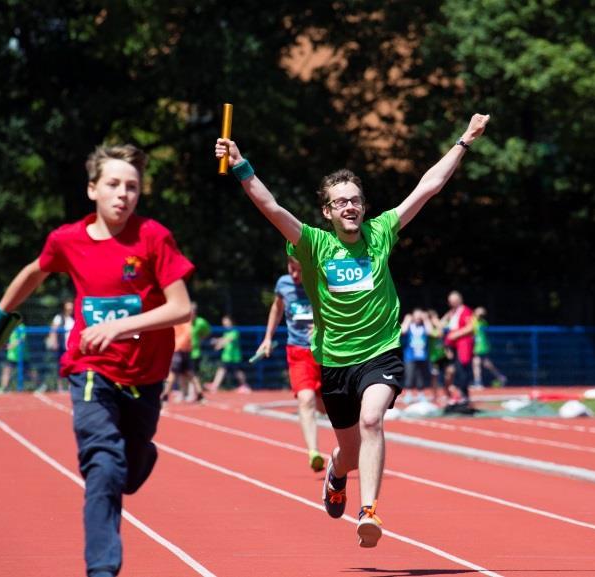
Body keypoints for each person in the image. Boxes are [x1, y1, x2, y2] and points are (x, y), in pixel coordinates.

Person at [215, 112, 490, 547]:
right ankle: (336, 474)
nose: (350, 206)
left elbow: (427, 187)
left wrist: (465, 140)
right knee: (348, 451)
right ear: (327, 211)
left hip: (380, 351)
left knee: (372, 420)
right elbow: (270, 207)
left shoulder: (381, 233)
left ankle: (369, 511)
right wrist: (241, 163)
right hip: (334, 360)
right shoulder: (313, 244)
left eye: (356, 199)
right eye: (341, 201)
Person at [0, 144, 194, 577]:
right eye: (113, 185)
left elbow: (181, 308)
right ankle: (102, 568)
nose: (123, 194)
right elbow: (37, 269)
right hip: (91, 367)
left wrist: (121, 324)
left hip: (145, 375)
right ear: (92, 189)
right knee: (102, 464)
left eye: (132, 187)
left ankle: (141, 457)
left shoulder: (153, 237)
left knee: (126, 472)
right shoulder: (67, 240)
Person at [254, 255, 327, 472]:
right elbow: (277, 308)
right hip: (298, 352)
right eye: (291, 268)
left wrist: (324, 327)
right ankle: (314, 451)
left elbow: (343, 310)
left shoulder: (322, 281)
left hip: (326, 353)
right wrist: (268, 337)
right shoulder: (283, 284)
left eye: (299, 270)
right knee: (306, 399)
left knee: (326, 406)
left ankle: (355, 443)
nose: (294, 275)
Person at [442, 290, 475, 403]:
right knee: (453, 371)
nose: (451, 303)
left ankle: (464, 395)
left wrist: (456, 334)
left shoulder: (466, 311)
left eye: (453, 301)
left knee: (462, 370)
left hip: (463, 345)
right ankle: (455, 394)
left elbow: (470, 327)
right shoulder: (452, 313)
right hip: (453, 346)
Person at [207, 314, 250, 393]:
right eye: (224, 322)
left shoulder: (235, 331)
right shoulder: (227, 333)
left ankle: (245, 386)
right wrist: (218, 342)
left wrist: (218, 343)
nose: (225, 324)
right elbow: (224, 339)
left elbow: (227, 340)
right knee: (222, 370)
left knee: (237, 372)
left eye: (226, 322)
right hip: (226, 356)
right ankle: (215, 386)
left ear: (231, 322)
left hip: (234, 357)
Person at [400, 308, 434, 403]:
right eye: (416, 316)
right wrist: (407, 319)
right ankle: (409, 394)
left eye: (420, 317)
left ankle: (421, 394)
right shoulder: (409, 326)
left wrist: (426, 319)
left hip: (422, 356)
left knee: (421, 376)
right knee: (409, 375)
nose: (418, 319)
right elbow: (403, 331)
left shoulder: (424, 326)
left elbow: (430, 332)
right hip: (410, 356)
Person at [472, 306, 507, 388]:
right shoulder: (473, 320)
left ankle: (478, 382)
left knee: (477, 363)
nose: (480, 315)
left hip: (480, 346)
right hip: (477, 345)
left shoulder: (482, 322)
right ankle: (500, 377)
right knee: (483, 363)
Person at [46, 299, 75, 391]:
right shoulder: (59, 317)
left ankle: (71, 386)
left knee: (72, 366)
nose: (70, 309)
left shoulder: (75, 318)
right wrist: (54, 341)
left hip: (72, 346)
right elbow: (53, 330)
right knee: (61, 366)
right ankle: (60, 387)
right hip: (62, 346)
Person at [0, 323, 34, 393]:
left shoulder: (21, 327)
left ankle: (40, 385)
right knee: (6, 370)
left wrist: (11, 346)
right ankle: (4, 388)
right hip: (12, 355)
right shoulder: (10, 326)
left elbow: (22, 339)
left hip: (22, 355)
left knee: (28, 372)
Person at [188, 302, 211, 389]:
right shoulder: (183, 322)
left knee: (193, 373)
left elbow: (206, 333)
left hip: (195, 352)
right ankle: (184, 392)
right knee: (184, 373)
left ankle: (194, 392)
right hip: (183, 351)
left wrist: (200, 339)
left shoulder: (201, 322)